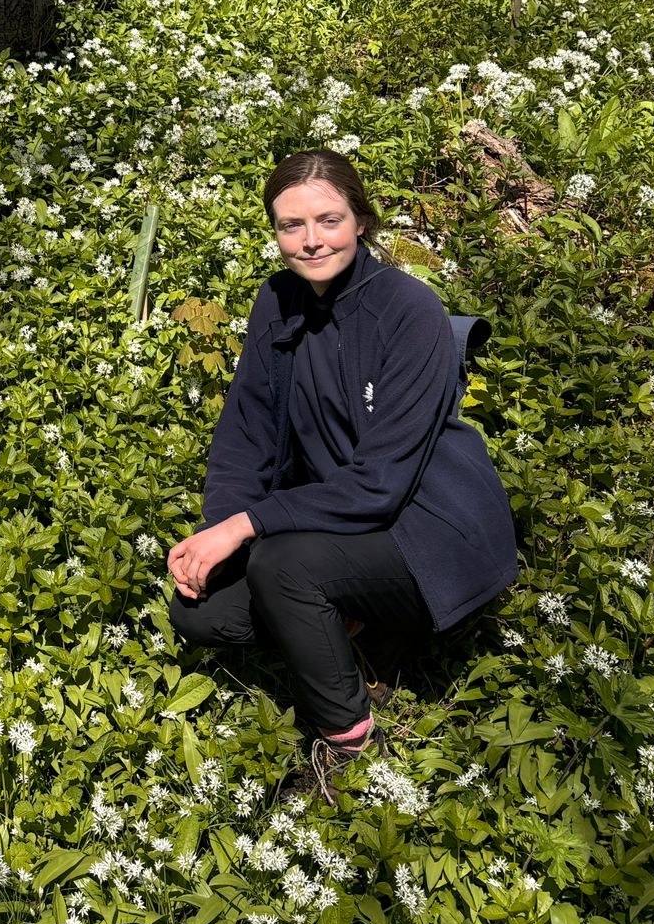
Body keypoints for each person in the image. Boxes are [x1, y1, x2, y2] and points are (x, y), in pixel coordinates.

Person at [166, 148, 518, 798]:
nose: (309, 241)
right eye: (289, 225)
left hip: (427, 528)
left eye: (327, 220)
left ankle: (351, 748)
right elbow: (244, 438)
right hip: (337, 518)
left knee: (284, 568)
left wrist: (250, 528)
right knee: (200, 612)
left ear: (359, 219)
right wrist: (221, 532)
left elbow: (383, 483)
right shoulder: (277, 302)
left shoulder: (409, 310)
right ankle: (350, 625)